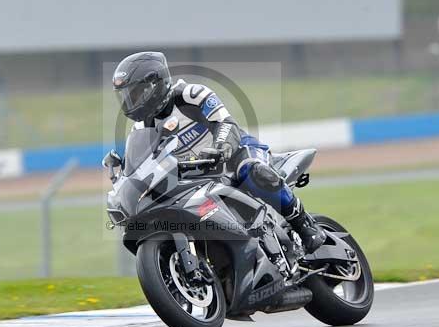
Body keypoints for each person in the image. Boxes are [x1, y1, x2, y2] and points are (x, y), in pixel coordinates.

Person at [111, 51, 326, 253]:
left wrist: (221, 148)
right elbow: (143, 168)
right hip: (197, 175)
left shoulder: (190, 95)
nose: (131, 102)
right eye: (127, 96)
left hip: (236, 153)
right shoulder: (140, 130)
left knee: (251, 171)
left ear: (155, 85)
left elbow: (225, 123)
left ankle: (304, 223)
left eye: (136, 93)